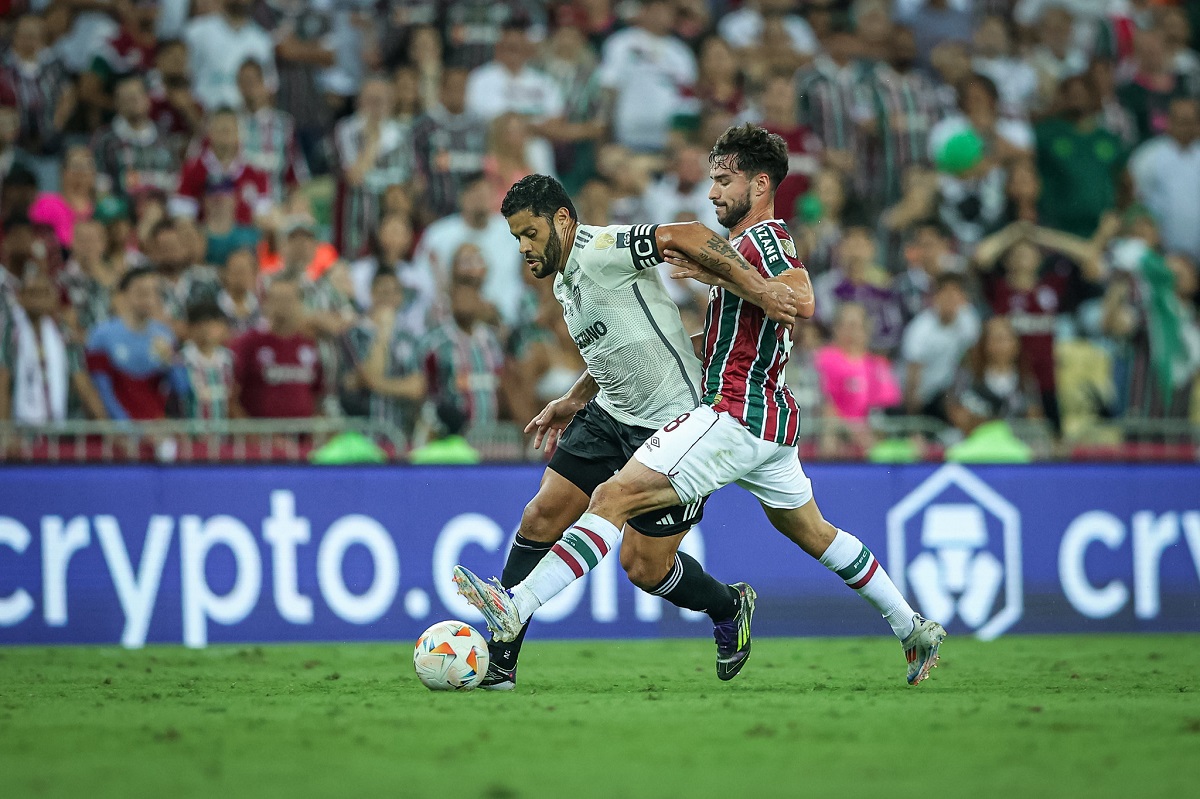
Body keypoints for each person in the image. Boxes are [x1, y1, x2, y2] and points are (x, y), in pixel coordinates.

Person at [456, 125, 947, 687]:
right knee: (814, 533)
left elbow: (801, 299)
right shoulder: (736, 249)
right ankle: (911, 626)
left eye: (723, 180)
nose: (712, 193)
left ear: (760, 184)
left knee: (614, 500)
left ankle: (515, 607)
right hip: (767, 419)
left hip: (733, 412)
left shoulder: (763, 241)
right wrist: (578, 394)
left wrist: (743, 285)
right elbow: (706, 344)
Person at [451, 170, 794, 689]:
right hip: (610, 414)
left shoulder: (600, 248)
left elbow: (688, 234)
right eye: (516, 238)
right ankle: (500, 662)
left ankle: (730, 604)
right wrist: (574, 397)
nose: (523, 247)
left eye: (530, 233)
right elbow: (621, 345)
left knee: (644, 567)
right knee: (541, 514)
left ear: (562, 220)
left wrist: (761, 291)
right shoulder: (565, 278)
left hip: (673, 428)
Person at [0, 269, 106, 424]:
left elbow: (81, 381)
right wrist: (4, 433)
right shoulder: (10, 332)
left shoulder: (63, 333)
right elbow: (3, 381)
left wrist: (106, 427)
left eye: (44, 293)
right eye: (32, 293)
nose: (38, 299)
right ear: (20, 297)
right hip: (19, 426)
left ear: (54, 299)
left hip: (58, 426)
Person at [85, 266, 176, 421]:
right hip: (117, 430)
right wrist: (125, 427)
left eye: (155, 293)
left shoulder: (164, 335)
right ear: (123, 295)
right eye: (142, 293)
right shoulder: (101, 335)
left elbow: (180, 388)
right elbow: (100, 389)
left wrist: (170, 362)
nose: (150, 299)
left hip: (155, 427)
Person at [231, 275, 322, 419]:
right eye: (277, 300)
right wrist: (251, 435)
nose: (283, 306)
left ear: (300, 304)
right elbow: (231, 394)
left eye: (288, 300)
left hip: (301, 438)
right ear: (266, 303)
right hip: (259, 438)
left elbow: (317, 393)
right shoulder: (249, 343)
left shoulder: (310, 344)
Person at [898, 272, 980, 422]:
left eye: (956, 294)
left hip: (946, 393)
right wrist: (913, 417)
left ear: (963, 298)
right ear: (935, 297)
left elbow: (972, 358)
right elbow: (912, 377)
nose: (951, 299)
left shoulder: (968, 321)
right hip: (919, 395)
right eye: (946, 294)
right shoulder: (920, 329)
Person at [170, 300, 241, 420]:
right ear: (189, 328)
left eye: (212, 323)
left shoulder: (231, 360)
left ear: (222, 327)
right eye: (199, 324)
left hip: (224, 436)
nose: (206, 329)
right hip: (191, 435)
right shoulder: (179, 361)